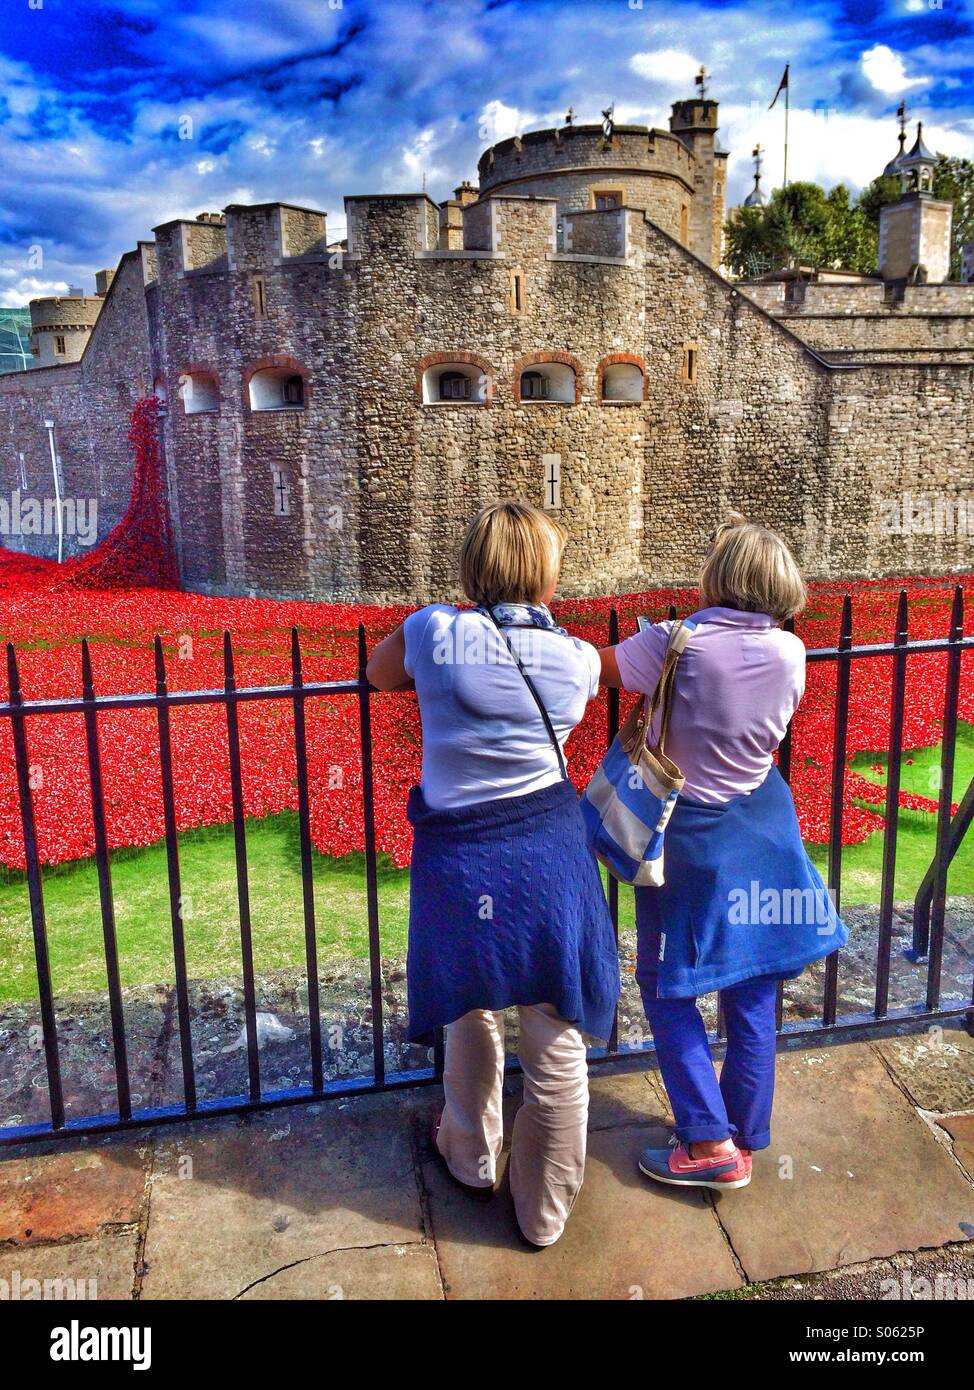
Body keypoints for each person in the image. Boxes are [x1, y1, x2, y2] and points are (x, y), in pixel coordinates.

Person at [367, 500, 619, 1246]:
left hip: (459, 859)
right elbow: (595, 677)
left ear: (474, 567)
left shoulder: (432, 633)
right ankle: (543, 1212)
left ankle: (472, 1158)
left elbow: (378, 675)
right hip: (548, 852)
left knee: (468, 1009)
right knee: (556, 1032)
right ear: (545, 574)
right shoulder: (573, 659)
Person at [598, 514, 847, 1190]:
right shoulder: (791, 652)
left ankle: (708, 1146)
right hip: (763, 825)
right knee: (752, 987)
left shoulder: (678, 643)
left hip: (689, 837)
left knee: (665, 983)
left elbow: (596, 670)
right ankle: (744, 1130)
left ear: (720, 574)